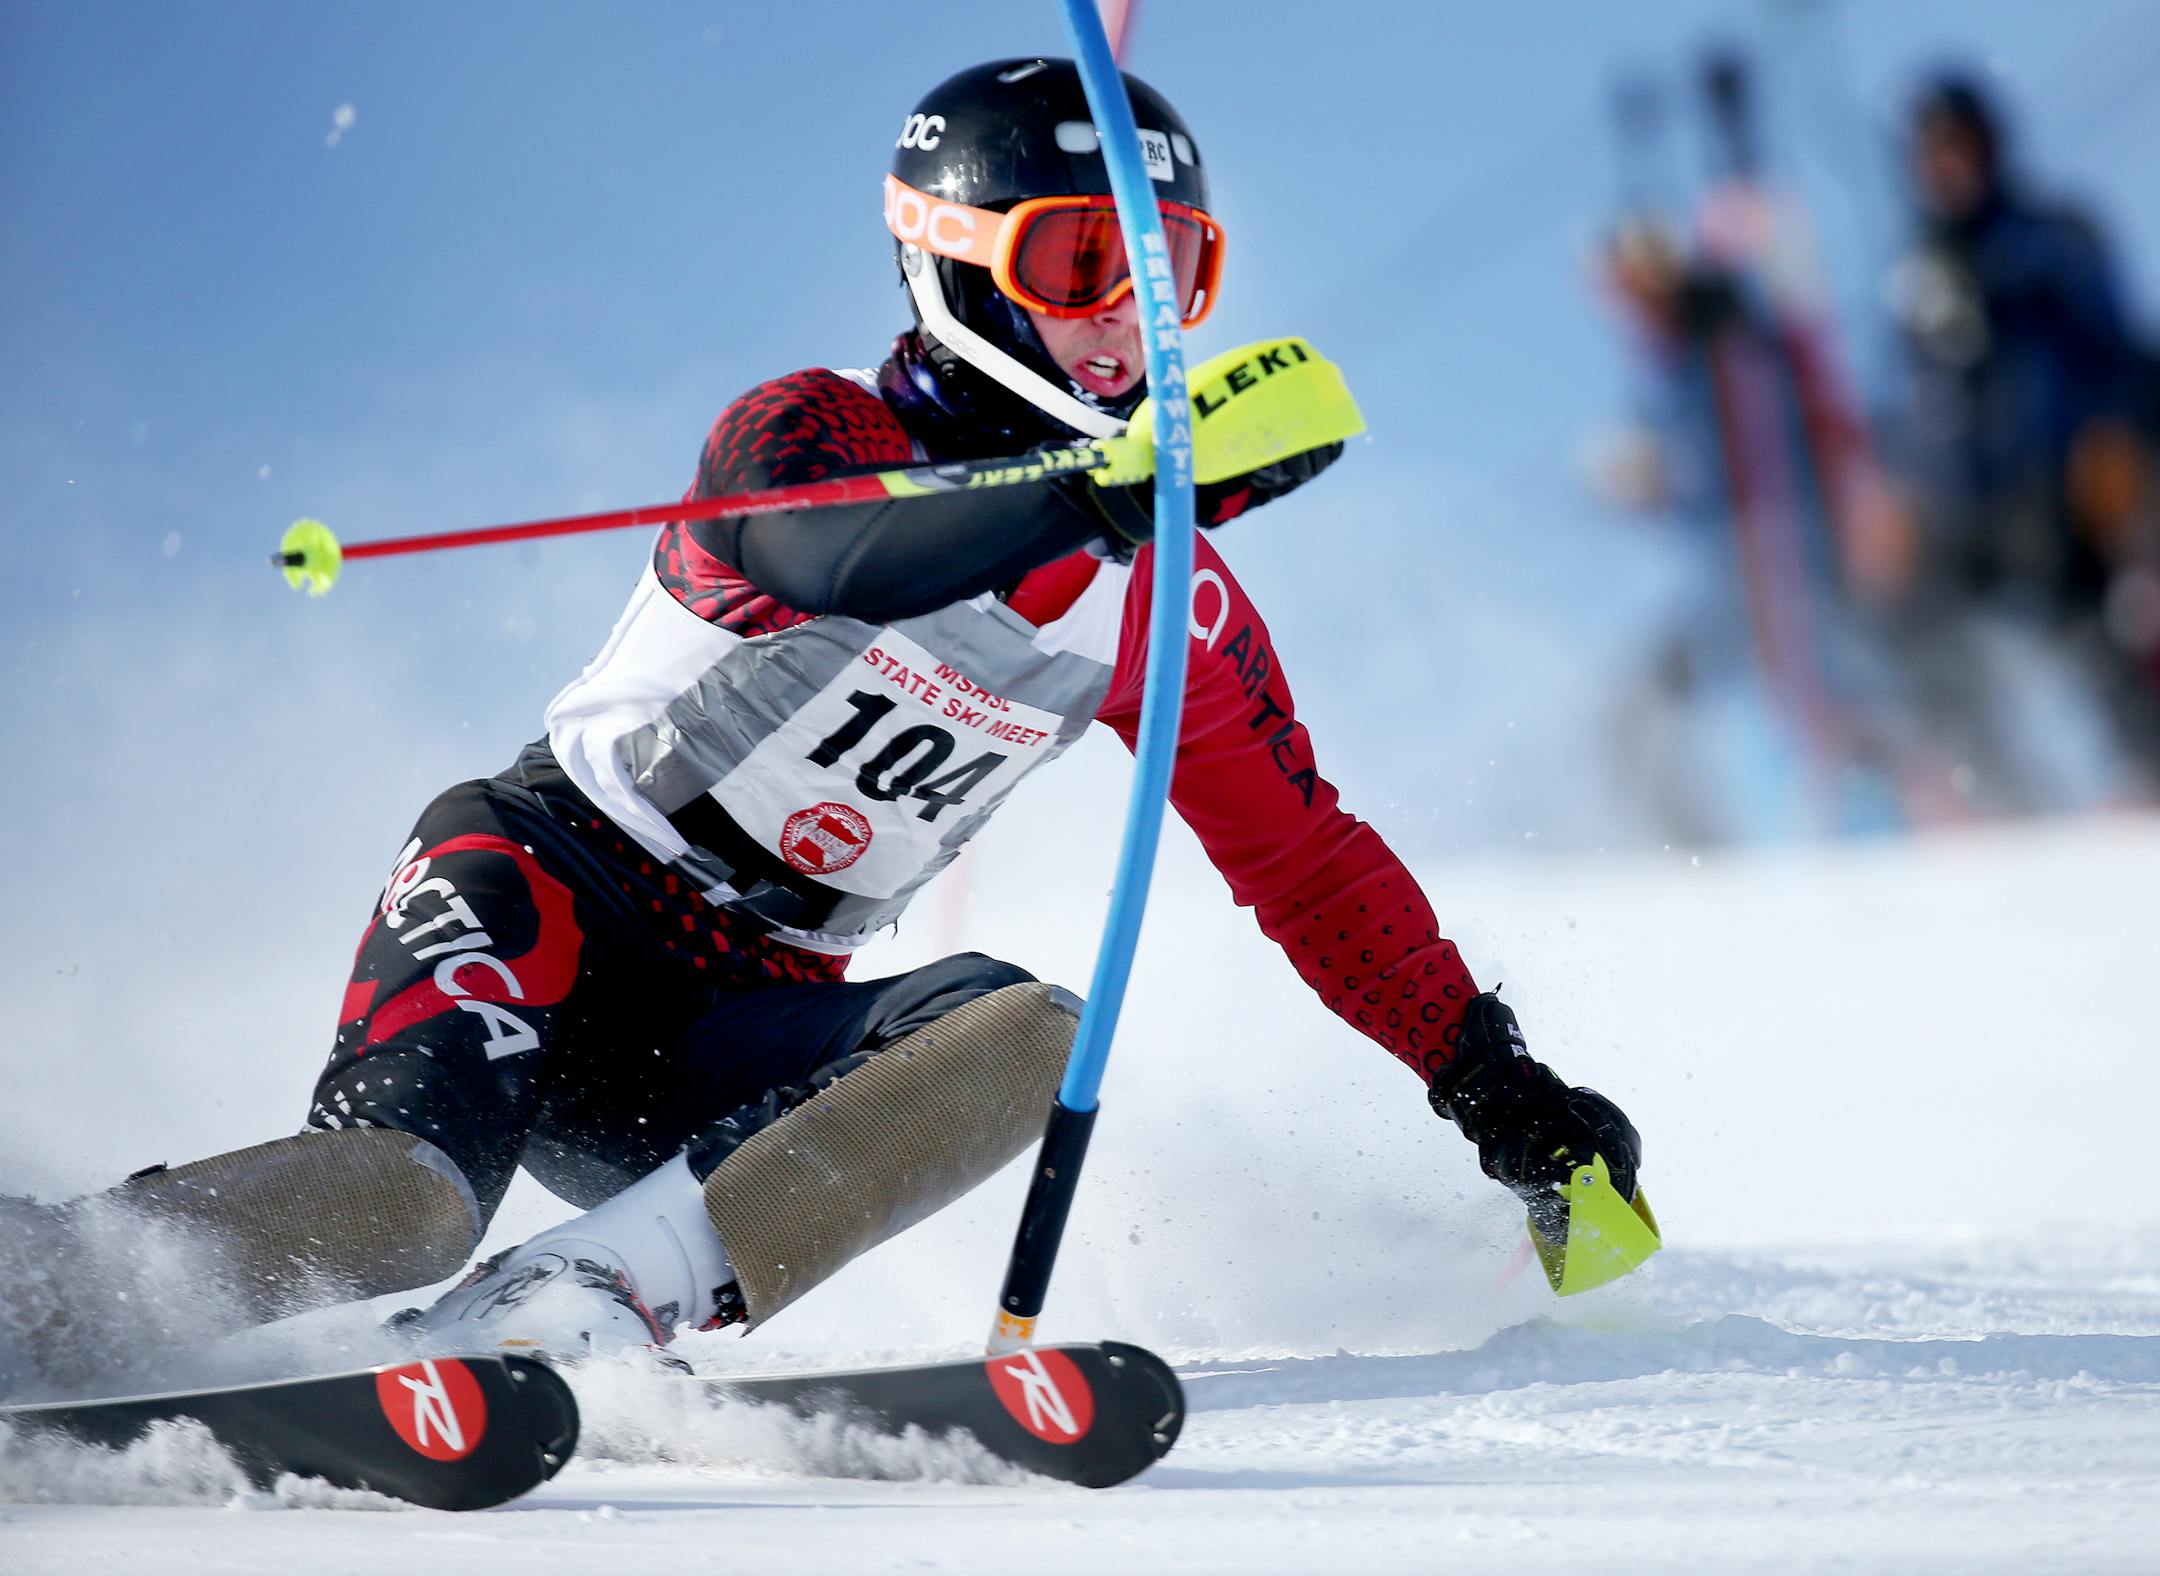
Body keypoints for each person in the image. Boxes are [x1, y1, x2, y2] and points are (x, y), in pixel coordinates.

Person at [4, 59, 1642, 1382]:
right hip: (543, 890)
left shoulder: (1170, 598)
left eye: (1171, 272)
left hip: (736, 1022)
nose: (1125, 321)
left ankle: (580, 1305)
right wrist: (1090, 501)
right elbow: (829, 550)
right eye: (1080, 262)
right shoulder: (811, 430)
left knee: (1023, 1038)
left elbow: (1312, 869)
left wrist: (1498, 1090)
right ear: (951, 261)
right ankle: (50, 1288)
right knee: (398, 1199)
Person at [1875, 71, 2159, 804]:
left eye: (1959, 149)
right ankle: (1991, 788)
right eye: (1931, 153)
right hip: (1978, 507)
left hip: (2071, 485)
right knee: (1912, 621)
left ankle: (2147, 771)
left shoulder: (2050, 238)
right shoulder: (1916, 275)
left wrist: (2120, 450)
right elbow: (1908, 412)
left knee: (2104, 621)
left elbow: (2116, 351)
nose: (1946, 167)